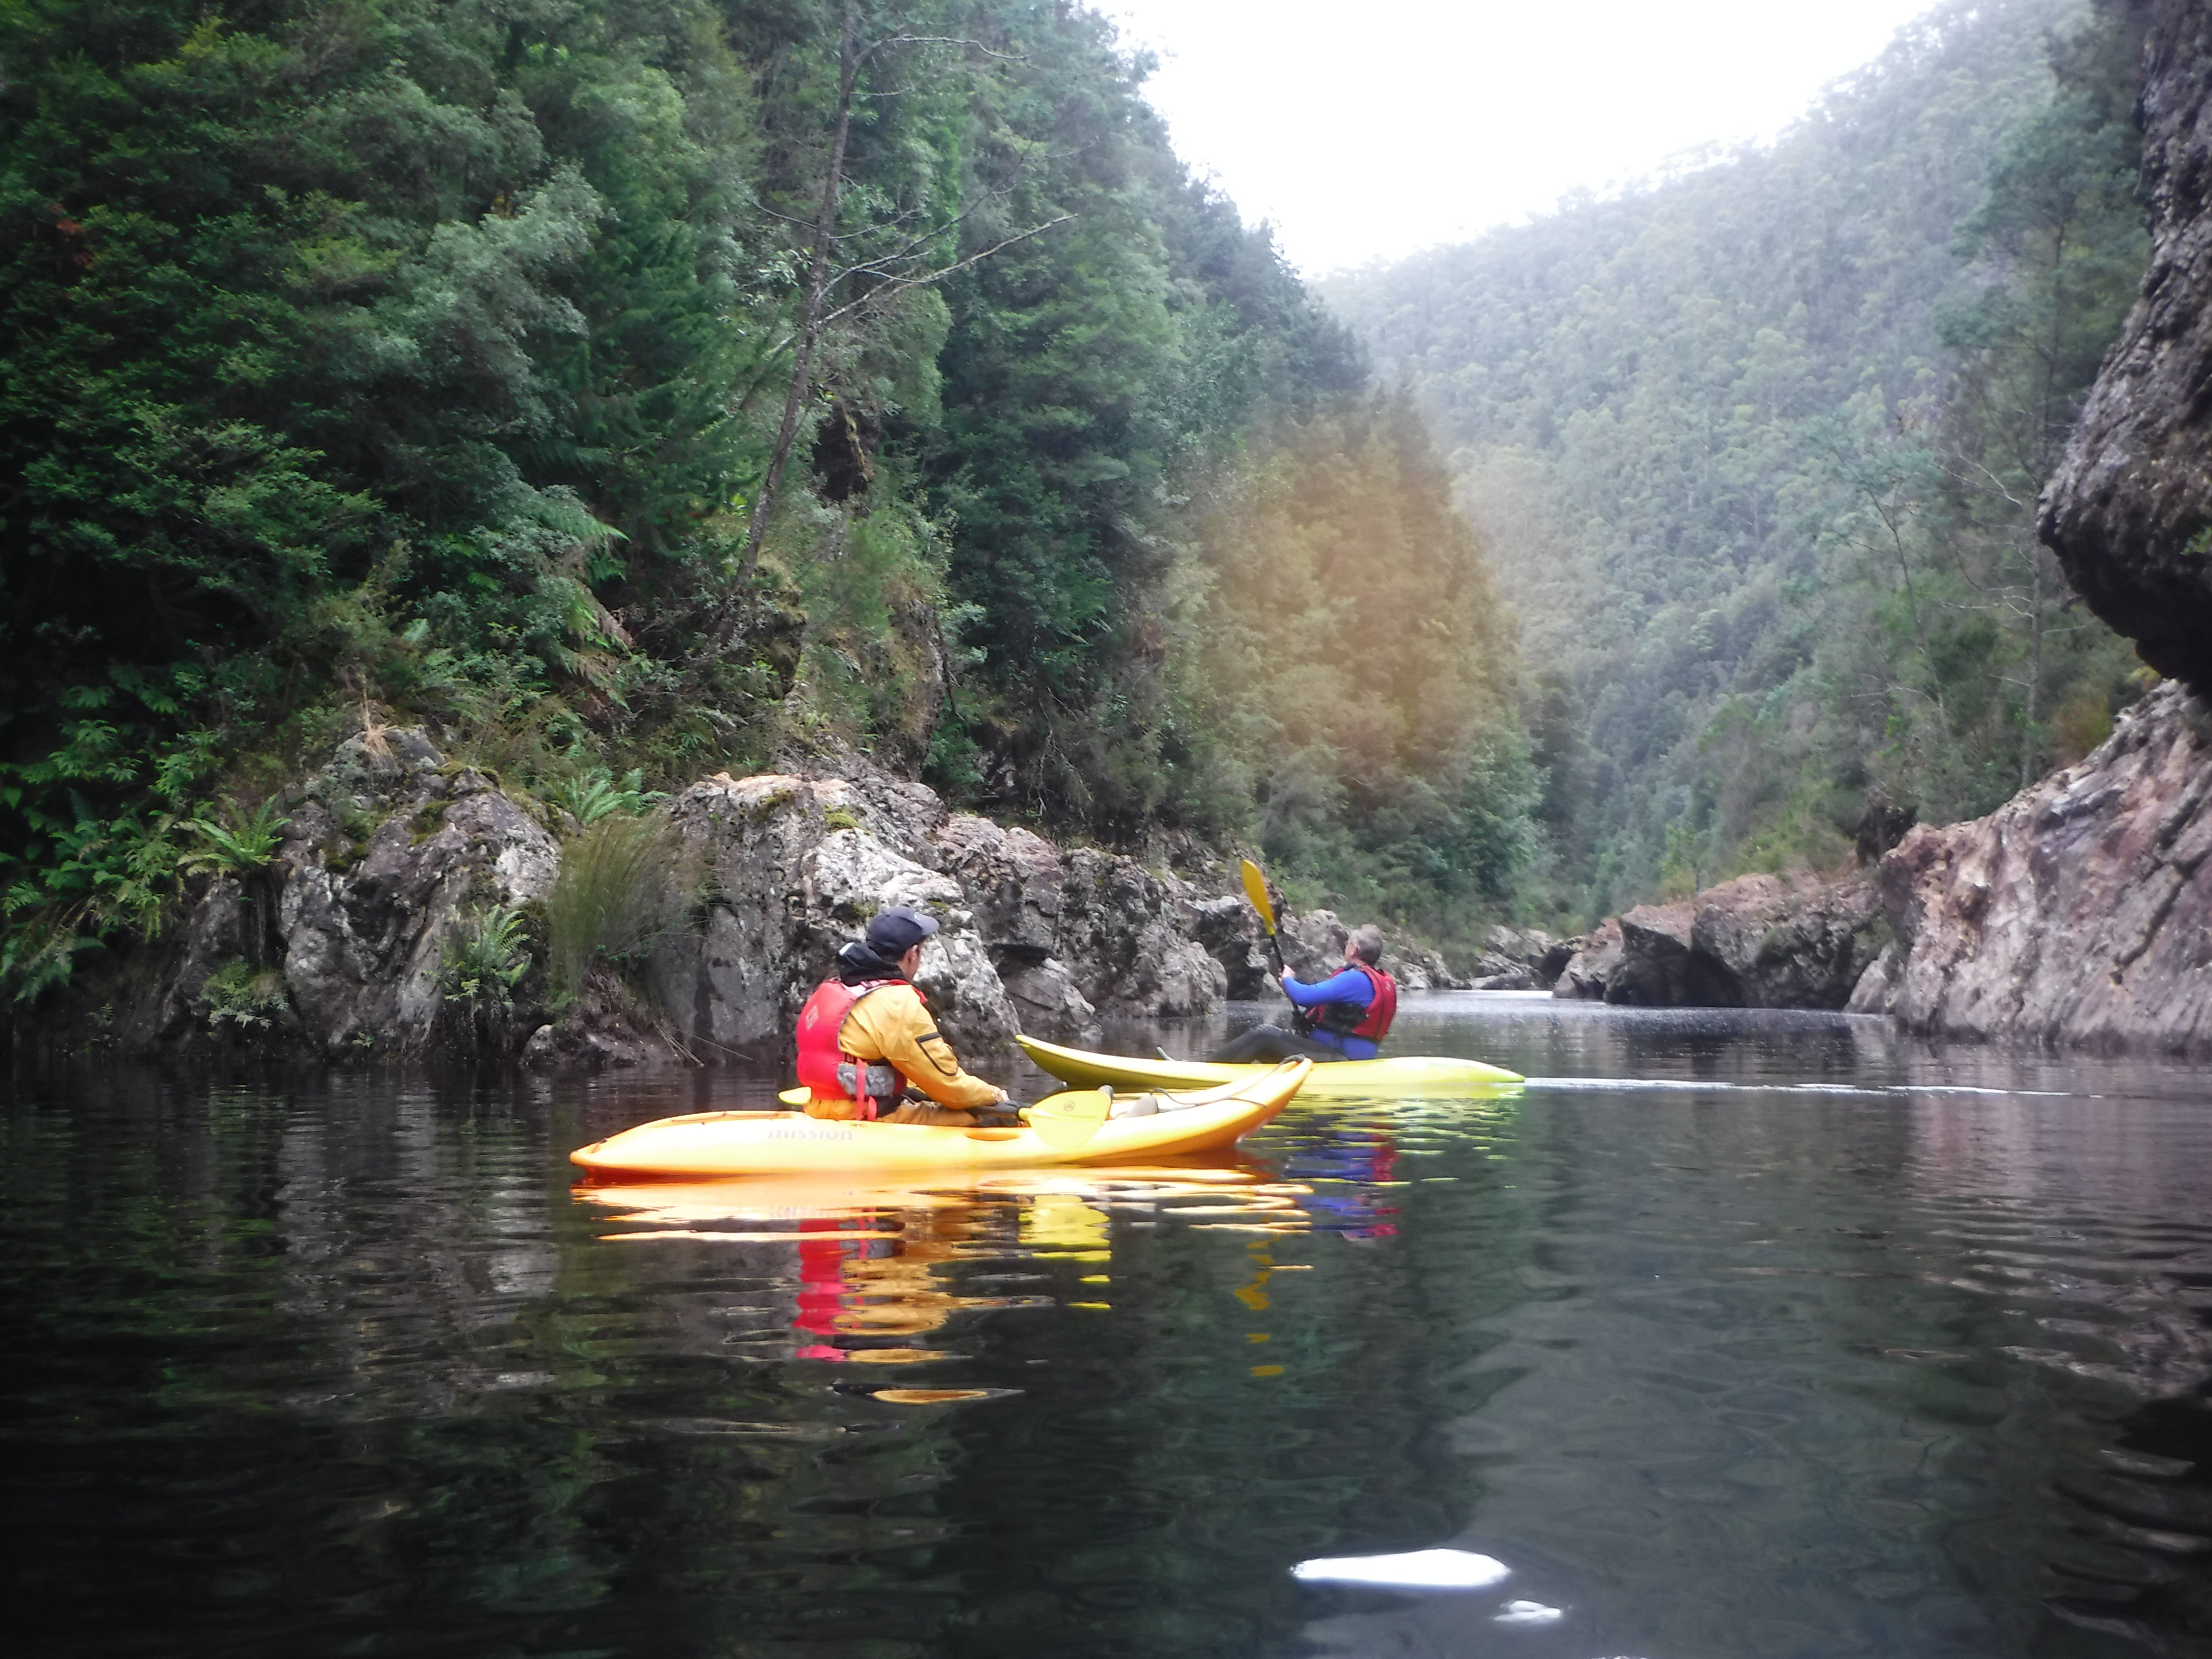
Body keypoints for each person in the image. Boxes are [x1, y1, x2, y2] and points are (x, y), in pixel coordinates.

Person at [793, 905, 1014, 1126]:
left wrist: (920, 1092)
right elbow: (950, 1087)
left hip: (820, 1109)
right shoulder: (898, 1003)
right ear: (913, 954)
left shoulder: (834, 986)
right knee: (993, 1119)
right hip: (866, 1117)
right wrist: (994, 1096)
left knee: (920, 1098)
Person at [1207, 923, 1398, 1064]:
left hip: (1339, 1058)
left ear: (1355, 949)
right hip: (1349, 1056)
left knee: (1264, 1035)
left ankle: (1208, 1071)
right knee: (1270, 1045)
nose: (1346, 947)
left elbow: (1304, 997)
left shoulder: (1355, 980)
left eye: (1348, 943)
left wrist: (1289, 979)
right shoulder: (1375, 980)